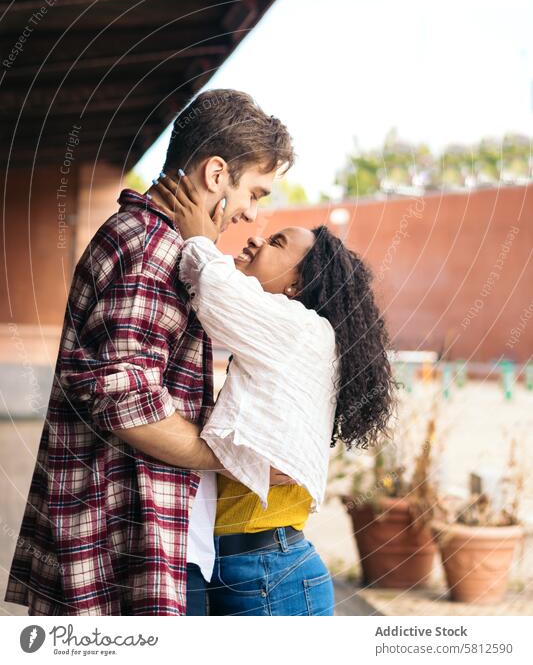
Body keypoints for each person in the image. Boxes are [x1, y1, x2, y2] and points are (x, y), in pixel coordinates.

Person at [4, 89, 294, 616]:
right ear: (214, 174)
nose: (252, 215)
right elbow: (126, 403)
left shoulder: (156, 241)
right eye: (255, 191)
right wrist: (236, 458)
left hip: (135, 533)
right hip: (131, 540)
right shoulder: (153, 248)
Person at [148, 172, 397, 616]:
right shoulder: (288, 336)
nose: (258, 240)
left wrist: (199, 236)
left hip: (270, 571)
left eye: (277, 243)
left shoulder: (303, 329)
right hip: (250, 568)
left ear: (297, 286)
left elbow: (217, 290)